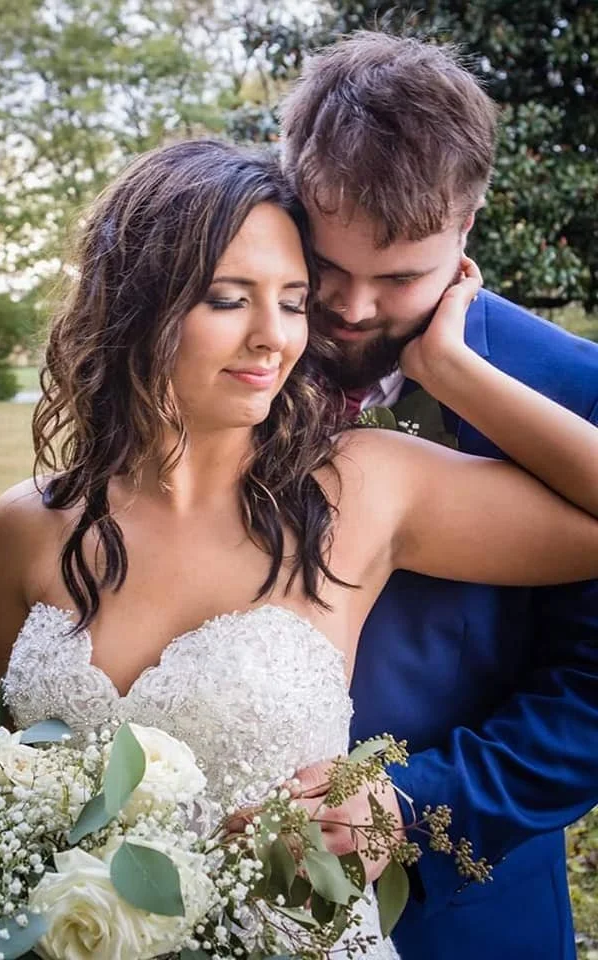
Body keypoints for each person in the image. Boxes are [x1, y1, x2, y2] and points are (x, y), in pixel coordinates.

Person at [0, 140, 598, 960]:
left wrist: (452, 369)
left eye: (295, 300)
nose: (274, 337)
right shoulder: (26, 525)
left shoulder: (360, 489)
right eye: (231, 299)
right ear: (138, 304)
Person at [280, 30, 598, 960]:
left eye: (399, 278)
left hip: (467, 916)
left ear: (468, 225)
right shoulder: (231, 347)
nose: (350, 309)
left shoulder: (575, 394)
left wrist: (415, 807)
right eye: (327, 266)